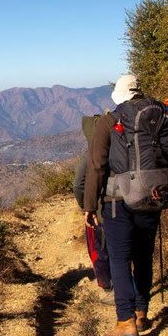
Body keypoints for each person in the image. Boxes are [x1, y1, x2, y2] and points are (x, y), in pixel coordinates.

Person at [82, 74, 168, 336]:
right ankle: (141, 313)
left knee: (119, 259)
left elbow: (96, 166)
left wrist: (90, 206)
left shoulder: (110, 120)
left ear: (119, 93)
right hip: (153, 196)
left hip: (117, 202)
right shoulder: (159, 114)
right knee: (143, 256)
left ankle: (125, 321)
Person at [73, 116, 113, 303]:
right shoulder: (121, 146)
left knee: (100, 247)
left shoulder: (90, 153)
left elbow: (78, 184)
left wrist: (87, 208)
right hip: (124, 202)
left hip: (99, 208)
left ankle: (107, 286)